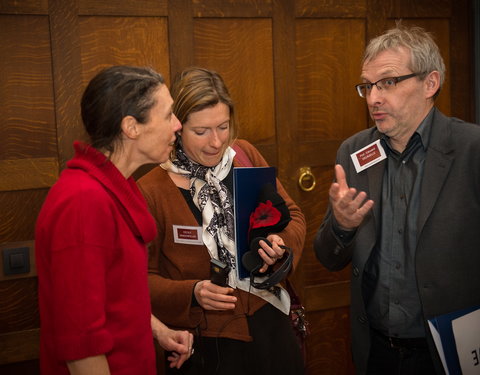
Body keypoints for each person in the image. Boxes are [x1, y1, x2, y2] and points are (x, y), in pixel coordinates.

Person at [313, 23, 480, 375]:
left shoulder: (470, 150)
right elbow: (327, 258)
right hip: (377, 350)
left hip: (450, 351)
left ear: (430, 83)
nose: (374, 97)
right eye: (367, 86)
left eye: (388, 82)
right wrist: (342, 227)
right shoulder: (354, 152)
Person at [137, 67, 306, 374]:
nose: (216, 142)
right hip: (207, 341)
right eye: (201, 132)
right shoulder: (152, 190)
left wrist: (281, 244)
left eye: (223, 127)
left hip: (271, 322)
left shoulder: (244, 156)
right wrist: (192, 292)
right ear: (177, 126)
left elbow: (292, 216)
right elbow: (138, 280)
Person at [35, 65, 194, 375]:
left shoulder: (115, 187)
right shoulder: (83, 203)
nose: (177, 125)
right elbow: (81, 345)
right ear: (131, 127)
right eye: (168, 115)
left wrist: (157, 329)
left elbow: (112, 295)